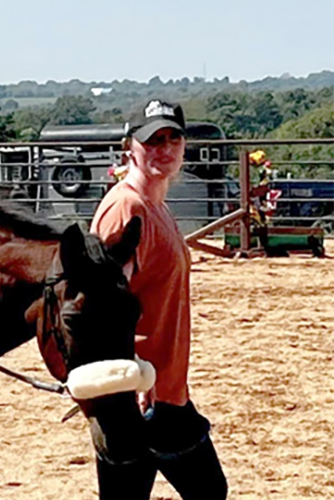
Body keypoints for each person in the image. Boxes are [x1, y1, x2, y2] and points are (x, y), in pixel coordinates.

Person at [89, 100, 228, 499]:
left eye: (173, 138)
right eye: (152, 140)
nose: (164, 149)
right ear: (129, 148)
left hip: (163, 387)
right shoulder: (126, 209)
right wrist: (129, 371)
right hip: (140, 392)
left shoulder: (156, 205)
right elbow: (101, 305)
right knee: (208, 490)